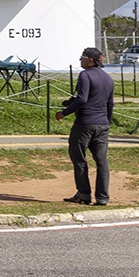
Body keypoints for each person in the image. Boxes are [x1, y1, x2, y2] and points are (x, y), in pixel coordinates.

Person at [55, 47, 113, 206]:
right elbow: (110, 104)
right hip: (102, 125)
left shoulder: (85, 75)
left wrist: (64, 113)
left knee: (79, 159)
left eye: (82, 57)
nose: (80, 60)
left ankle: (84, 194)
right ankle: (102, 198)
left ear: (90, 60)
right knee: (102, 162)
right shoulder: (108, 78)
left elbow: (82, 99)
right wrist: (106, 121)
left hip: (84, 124)